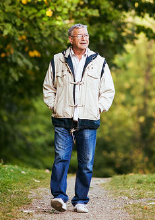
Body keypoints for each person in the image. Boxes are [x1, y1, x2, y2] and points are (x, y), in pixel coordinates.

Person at [43, 24, 115, 213]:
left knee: (86, 162)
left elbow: (108, 91)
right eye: (79, 35)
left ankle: (81, 200)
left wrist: (97, 108)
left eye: (86, 35)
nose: (84, 38)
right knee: (60, 159)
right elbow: (48, 88)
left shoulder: (99, 61)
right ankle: (59, 197)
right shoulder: (58, 60)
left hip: (88, 120)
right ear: (70, 39)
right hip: (63, 118)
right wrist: (55, 106)